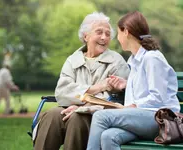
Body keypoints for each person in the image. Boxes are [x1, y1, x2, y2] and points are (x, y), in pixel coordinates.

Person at [34, 12, 130, 150]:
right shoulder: (72, 60)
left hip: (97, 115)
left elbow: (118, 101)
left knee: (77, 118)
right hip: (69, 108)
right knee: (52, 116)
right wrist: (97, 88)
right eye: (99, 32)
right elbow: (62, 92)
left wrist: (82, 107)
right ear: (86, 36)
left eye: (108, 34)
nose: (104, 37)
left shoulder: (116, 61)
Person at [86, 11, 180, 150]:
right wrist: (126, 85)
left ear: (126, 32)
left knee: (101, 117)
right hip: (143, 119)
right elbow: (143, 90)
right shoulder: (134, 60)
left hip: (160, 120)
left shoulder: (152, 58)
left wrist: (133, 106)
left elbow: (158, 97)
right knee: (108, 136)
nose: (117, 38)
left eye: (118, 33)